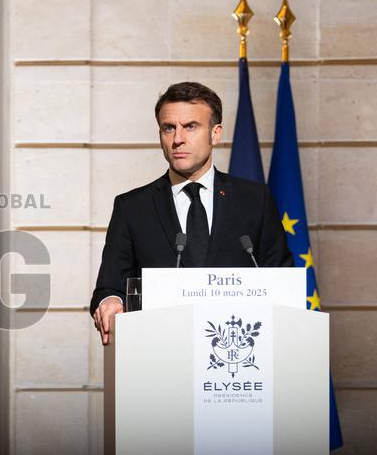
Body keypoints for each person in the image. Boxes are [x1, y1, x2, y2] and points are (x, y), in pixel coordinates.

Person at [91, 82, 292, 344]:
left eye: (191, 127)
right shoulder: (132, 207)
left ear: (215, 133)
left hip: (239, 353)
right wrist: (110, 302)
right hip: (159, 352)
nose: (177, 139)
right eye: (169, 128)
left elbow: (281, 280)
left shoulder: (255, 200)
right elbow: (109, 286)